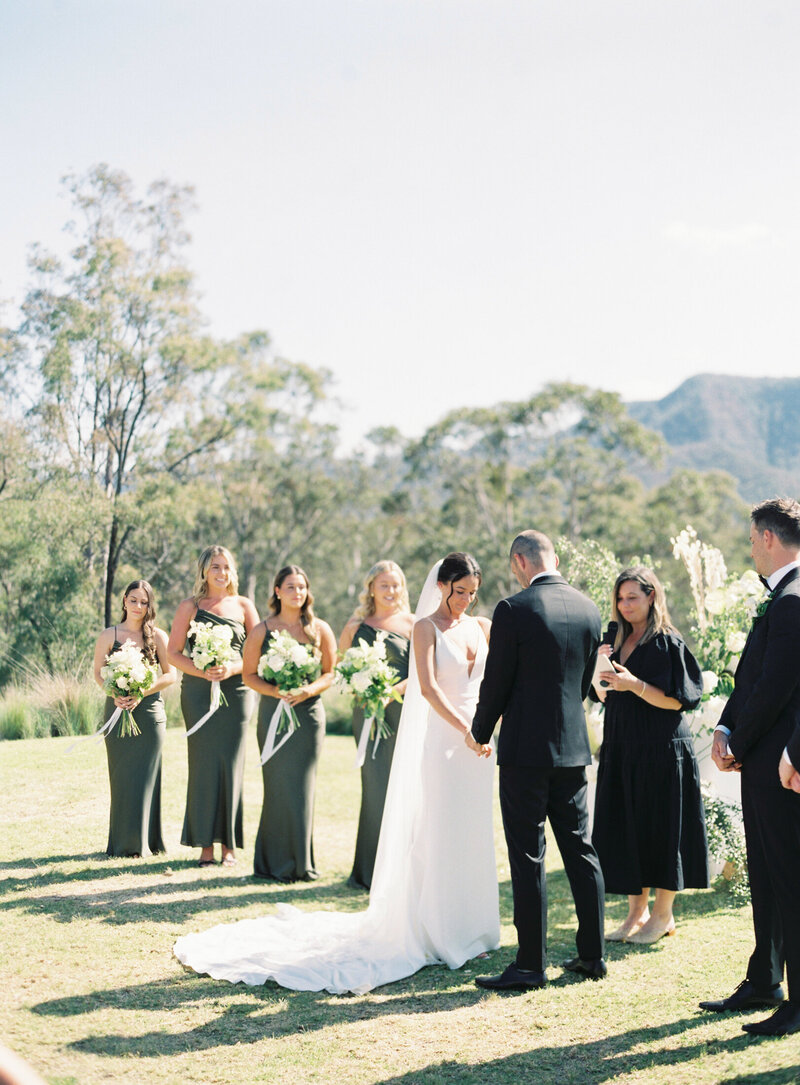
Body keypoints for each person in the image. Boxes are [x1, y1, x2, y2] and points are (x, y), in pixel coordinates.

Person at [173, 553, 500, 993]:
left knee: (472, 831)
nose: (465, 600)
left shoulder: (481, 628)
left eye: (472, 594)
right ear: (441, 586)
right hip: (446, 739)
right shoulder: (425, 628)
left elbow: (493, 683)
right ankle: (439, 928)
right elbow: (428, 684)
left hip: (478, 747)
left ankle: (474, 926)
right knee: (435, 828)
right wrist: (467, 729)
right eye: (459, 591)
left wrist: (487, 728)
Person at [469, 529, 606, 991]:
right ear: (554, 557)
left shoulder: (513, 609)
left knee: (529, 856)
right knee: (580, 850)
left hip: (526, 752)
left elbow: (497, 681)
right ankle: (592, 956)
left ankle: (530, 966)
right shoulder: (589, 608)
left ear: (518, 562)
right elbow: (586, 681)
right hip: (573, 750)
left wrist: (480, 731)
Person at [701, 498, 800, 1038]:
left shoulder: (793, 600)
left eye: (749, 538)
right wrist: (723, 727)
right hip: (759, 756)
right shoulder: (779, 598)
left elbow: (778, 687)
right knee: (765, 873)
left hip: (783, 762)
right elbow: (749, 679)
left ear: (766, 537)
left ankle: (798, 1001)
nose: (749, 548)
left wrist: (740, 739)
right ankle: (764, 979)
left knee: (788, 877)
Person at [590, 567, 707, 944]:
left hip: (661, 749)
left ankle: (663, 915)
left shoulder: (667, 642)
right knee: (627, 828)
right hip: (623, 747)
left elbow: (678, 701)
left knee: (662, 829)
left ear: (651, 596)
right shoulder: (615, 640)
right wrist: (600, 671)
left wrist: (632, 684)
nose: (625, 606)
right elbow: (602, 694)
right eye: (620, 599)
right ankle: (634, 914)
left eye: (633, 598)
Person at [242, 565, 337, 882]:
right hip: (273, 715)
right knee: (277, 786)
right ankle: (270, 864)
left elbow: (330, 673)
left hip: (308, 717)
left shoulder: (319, 629)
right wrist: (276, 691)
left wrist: (308, 689)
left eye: (302, 587)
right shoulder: (262, 630)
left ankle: (301, 863)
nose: (298, 592)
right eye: (291, 587)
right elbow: (248, 675)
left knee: (302, 788)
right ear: (278, 591)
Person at [168, 546, 259, 868]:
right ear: (204, 571)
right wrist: (202, 670)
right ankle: (205, 845)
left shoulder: (244, 606)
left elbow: (258, 652)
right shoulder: (189, 608)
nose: (222, 573)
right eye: (215, 567)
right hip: (197, 692)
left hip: (236, 692)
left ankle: (229, 846)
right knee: (204, 766)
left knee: (232, 767)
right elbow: (174, 653)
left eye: (226, 567)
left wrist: (232, 669)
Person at [339, 560, 413, 889]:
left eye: (395, 585)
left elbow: (423, 672)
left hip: (402, 713)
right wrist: (366, 690)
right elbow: (342, 668)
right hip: (367, 713)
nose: (391, 591)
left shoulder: (413, 624)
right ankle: (368, 869)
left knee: (402, 788)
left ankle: (399, 872)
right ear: (371, 588)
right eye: (384, 585)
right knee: (374, 788)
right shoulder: (355, 626)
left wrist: (391, 691)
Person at [93, 580, 175, 858]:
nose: (138, 606)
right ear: (124, 600)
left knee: (146, 776)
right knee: (122, 777)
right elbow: (97, 672)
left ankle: (146, 843)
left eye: (144, 602)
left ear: (150, 605)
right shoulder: (109, 635)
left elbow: (170, 674)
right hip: (116, 712)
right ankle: (123, 843)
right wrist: (114, 693)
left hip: (149, 713)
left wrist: (141, 692)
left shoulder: (159, 636)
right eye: (134, 600)